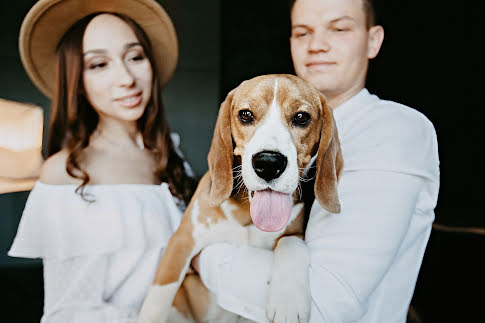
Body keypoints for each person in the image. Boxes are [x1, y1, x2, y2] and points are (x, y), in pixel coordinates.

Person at [193, 0, 440, 322]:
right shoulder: (274, 142)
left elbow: (324, 306)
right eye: (302, 32)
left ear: (373, 39)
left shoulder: (395, 129)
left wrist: (199, 254)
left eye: (339, 28)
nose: (317, 45)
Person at [8, 0, 196, 322]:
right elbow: (67, 313)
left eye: (135, 57)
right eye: (99, 65)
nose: (126, 78)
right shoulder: (68, 173)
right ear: (77, 82)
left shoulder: (171, 155)